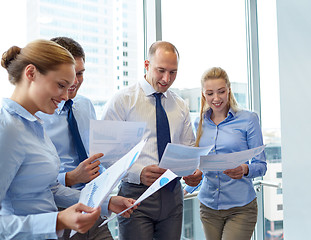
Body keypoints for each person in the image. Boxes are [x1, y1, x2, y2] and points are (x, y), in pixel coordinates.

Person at [0, 39, 136, 240]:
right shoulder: (7, 129)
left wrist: (108, 202)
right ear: (30, 73)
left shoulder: (34, 124)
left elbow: (50, 188)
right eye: (61, 85)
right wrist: (59, 221)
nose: (65, 96)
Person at [101, 41, 202, 240]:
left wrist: (193, 171)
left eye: (173, 72)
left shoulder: (180, 105)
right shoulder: (122, 101)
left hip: (173, 195)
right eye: (161, 70)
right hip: (135, 197)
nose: (167, 79)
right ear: (147, 65)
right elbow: (105, 155)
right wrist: (138, 173)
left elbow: (189, 148)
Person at [37, 37, 112, 240]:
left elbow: (92, 154)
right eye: (70, 75)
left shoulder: (86, 105)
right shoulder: (36, 115)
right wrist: (71, 178)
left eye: (80, 73)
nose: (75, 81)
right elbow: (40, 183)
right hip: (59, 212)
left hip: (93, 205)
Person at [185, 67, 267, 240]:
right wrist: (185, 188)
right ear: (203, 95)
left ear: (229, 89)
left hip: (241, 208)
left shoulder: (248, 119)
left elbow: (261, 166)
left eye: (221, 91)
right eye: (210, 93)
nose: (216, 98)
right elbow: (200, 166)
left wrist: (245, 169)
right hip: (208, 207)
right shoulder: (198, 123)